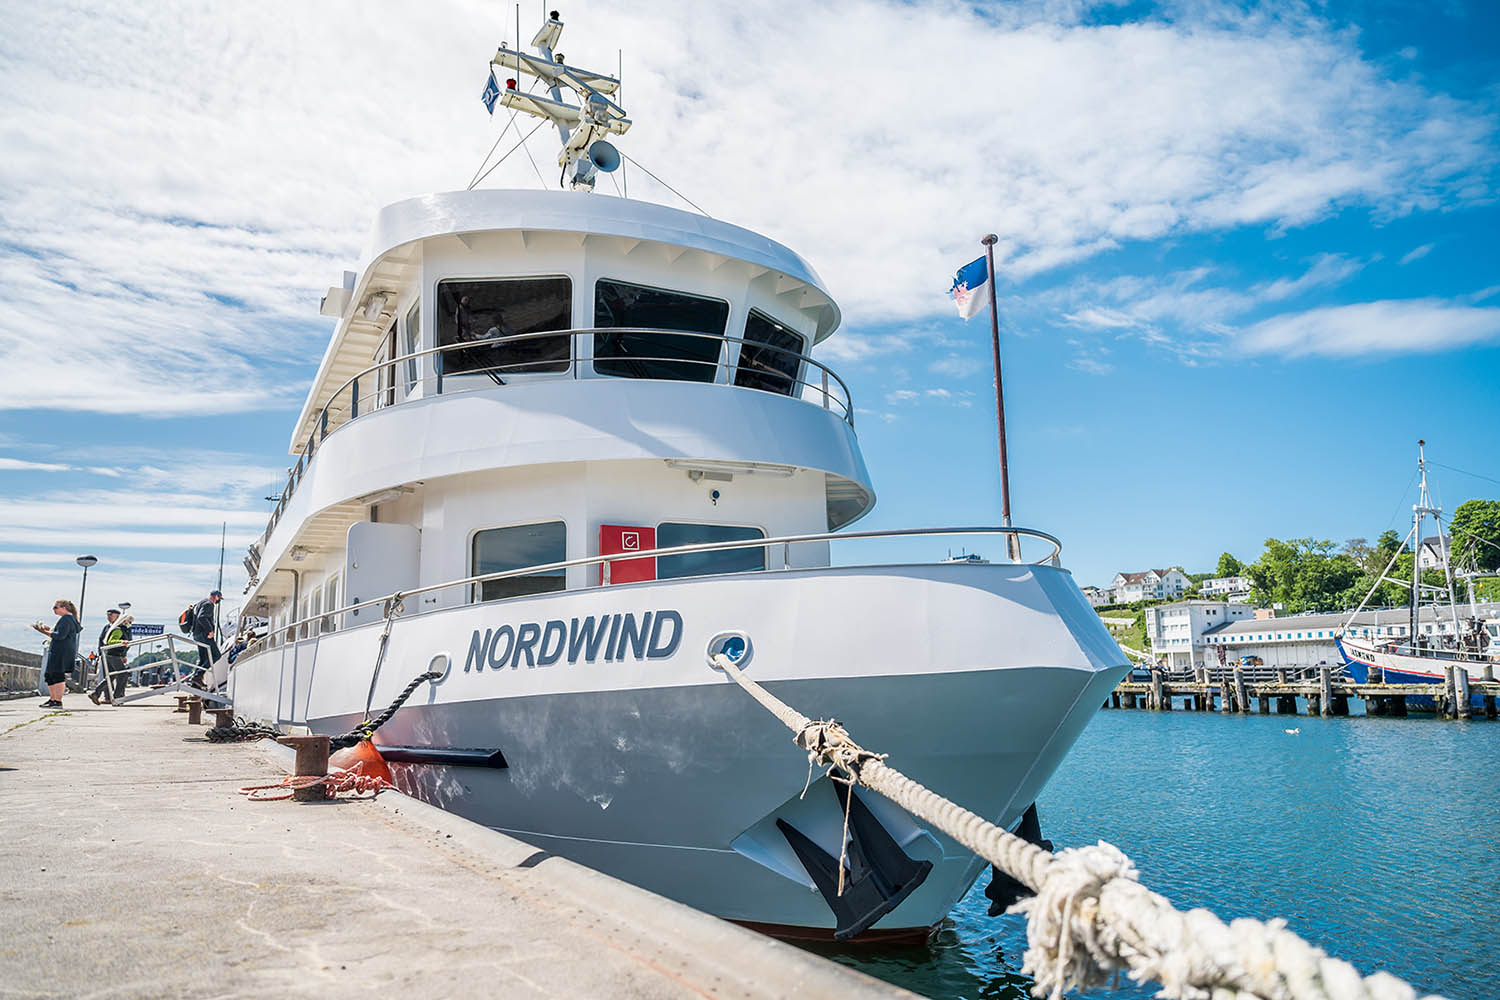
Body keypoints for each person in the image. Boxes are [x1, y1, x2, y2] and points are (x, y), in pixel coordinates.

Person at [32, 599, 81, 708]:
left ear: (64, 608)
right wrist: (48, 629)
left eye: (55, 607)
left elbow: (60, 635)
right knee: (50, 675)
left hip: (61, 652)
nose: (53, 609)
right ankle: (52, 699)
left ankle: (57, 701)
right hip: (61, 651)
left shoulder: (66, 619)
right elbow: (61, 632)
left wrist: (43, 631)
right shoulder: (69, 619)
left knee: (57, 675)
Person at [90, 609, 132, 704]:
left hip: (112, 654)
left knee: (111, 676)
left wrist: (124, 654)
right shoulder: (117, 629)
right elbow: (107, 641)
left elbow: (129, 641)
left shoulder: (122, 629)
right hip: (112, 654)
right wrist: (121, 642)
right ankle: (116, 696)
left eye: (111, 615)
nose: (129, 624)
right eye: (128, 621)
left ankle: (96, 693)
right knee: (122, 674)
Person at [190, 590, 223, 688]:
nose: (219, 601)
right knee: (216, 655)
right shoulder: (209, 604)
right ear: (216, 596)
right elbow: (202, 617)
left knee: (203, 658)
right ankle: (198, 676)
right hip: (204, 635)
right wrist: (210, 631)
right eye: (219, 598)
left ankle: (195, 682)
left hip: (196, 634)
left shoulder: (200, 603)